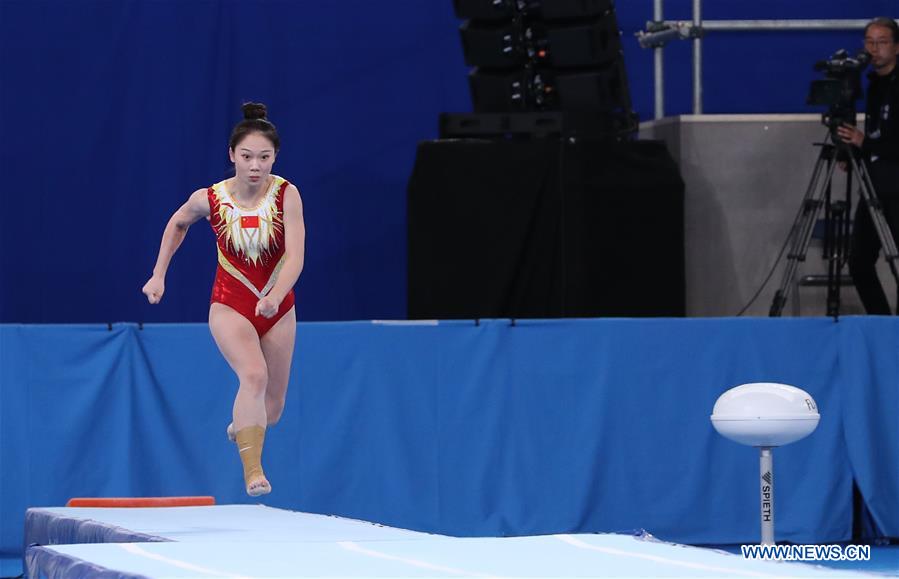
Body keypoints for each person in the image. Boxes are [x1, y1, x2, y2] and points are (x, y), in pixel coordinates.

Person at [142, 102, 305, 496]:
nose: (255, 166)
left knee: (274, 409)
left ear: (275, 158)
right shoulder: (209, 199)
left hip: (278, 306)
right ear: (231, 155)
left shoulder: (287, 195)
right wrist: (158, 274)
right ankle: (253, 472)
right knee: (253, 375)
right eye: (247, 156)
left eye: (264, 157)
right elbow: (177, 223)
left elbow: (297, 255)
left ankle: (242, 426)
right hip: (229, 304)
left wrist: (276, 295)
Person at [837, 17, 899, 314]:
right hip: (873, 183)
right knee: (860, 262)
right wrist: (854, 152)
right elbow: (876, 135)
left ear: (897, 47)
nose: (875, 49)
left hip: (897, 185)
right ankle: (882, 324)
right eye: (870, 42)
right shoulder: (873, 83)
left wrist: (865, 144)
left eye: (882, 42)